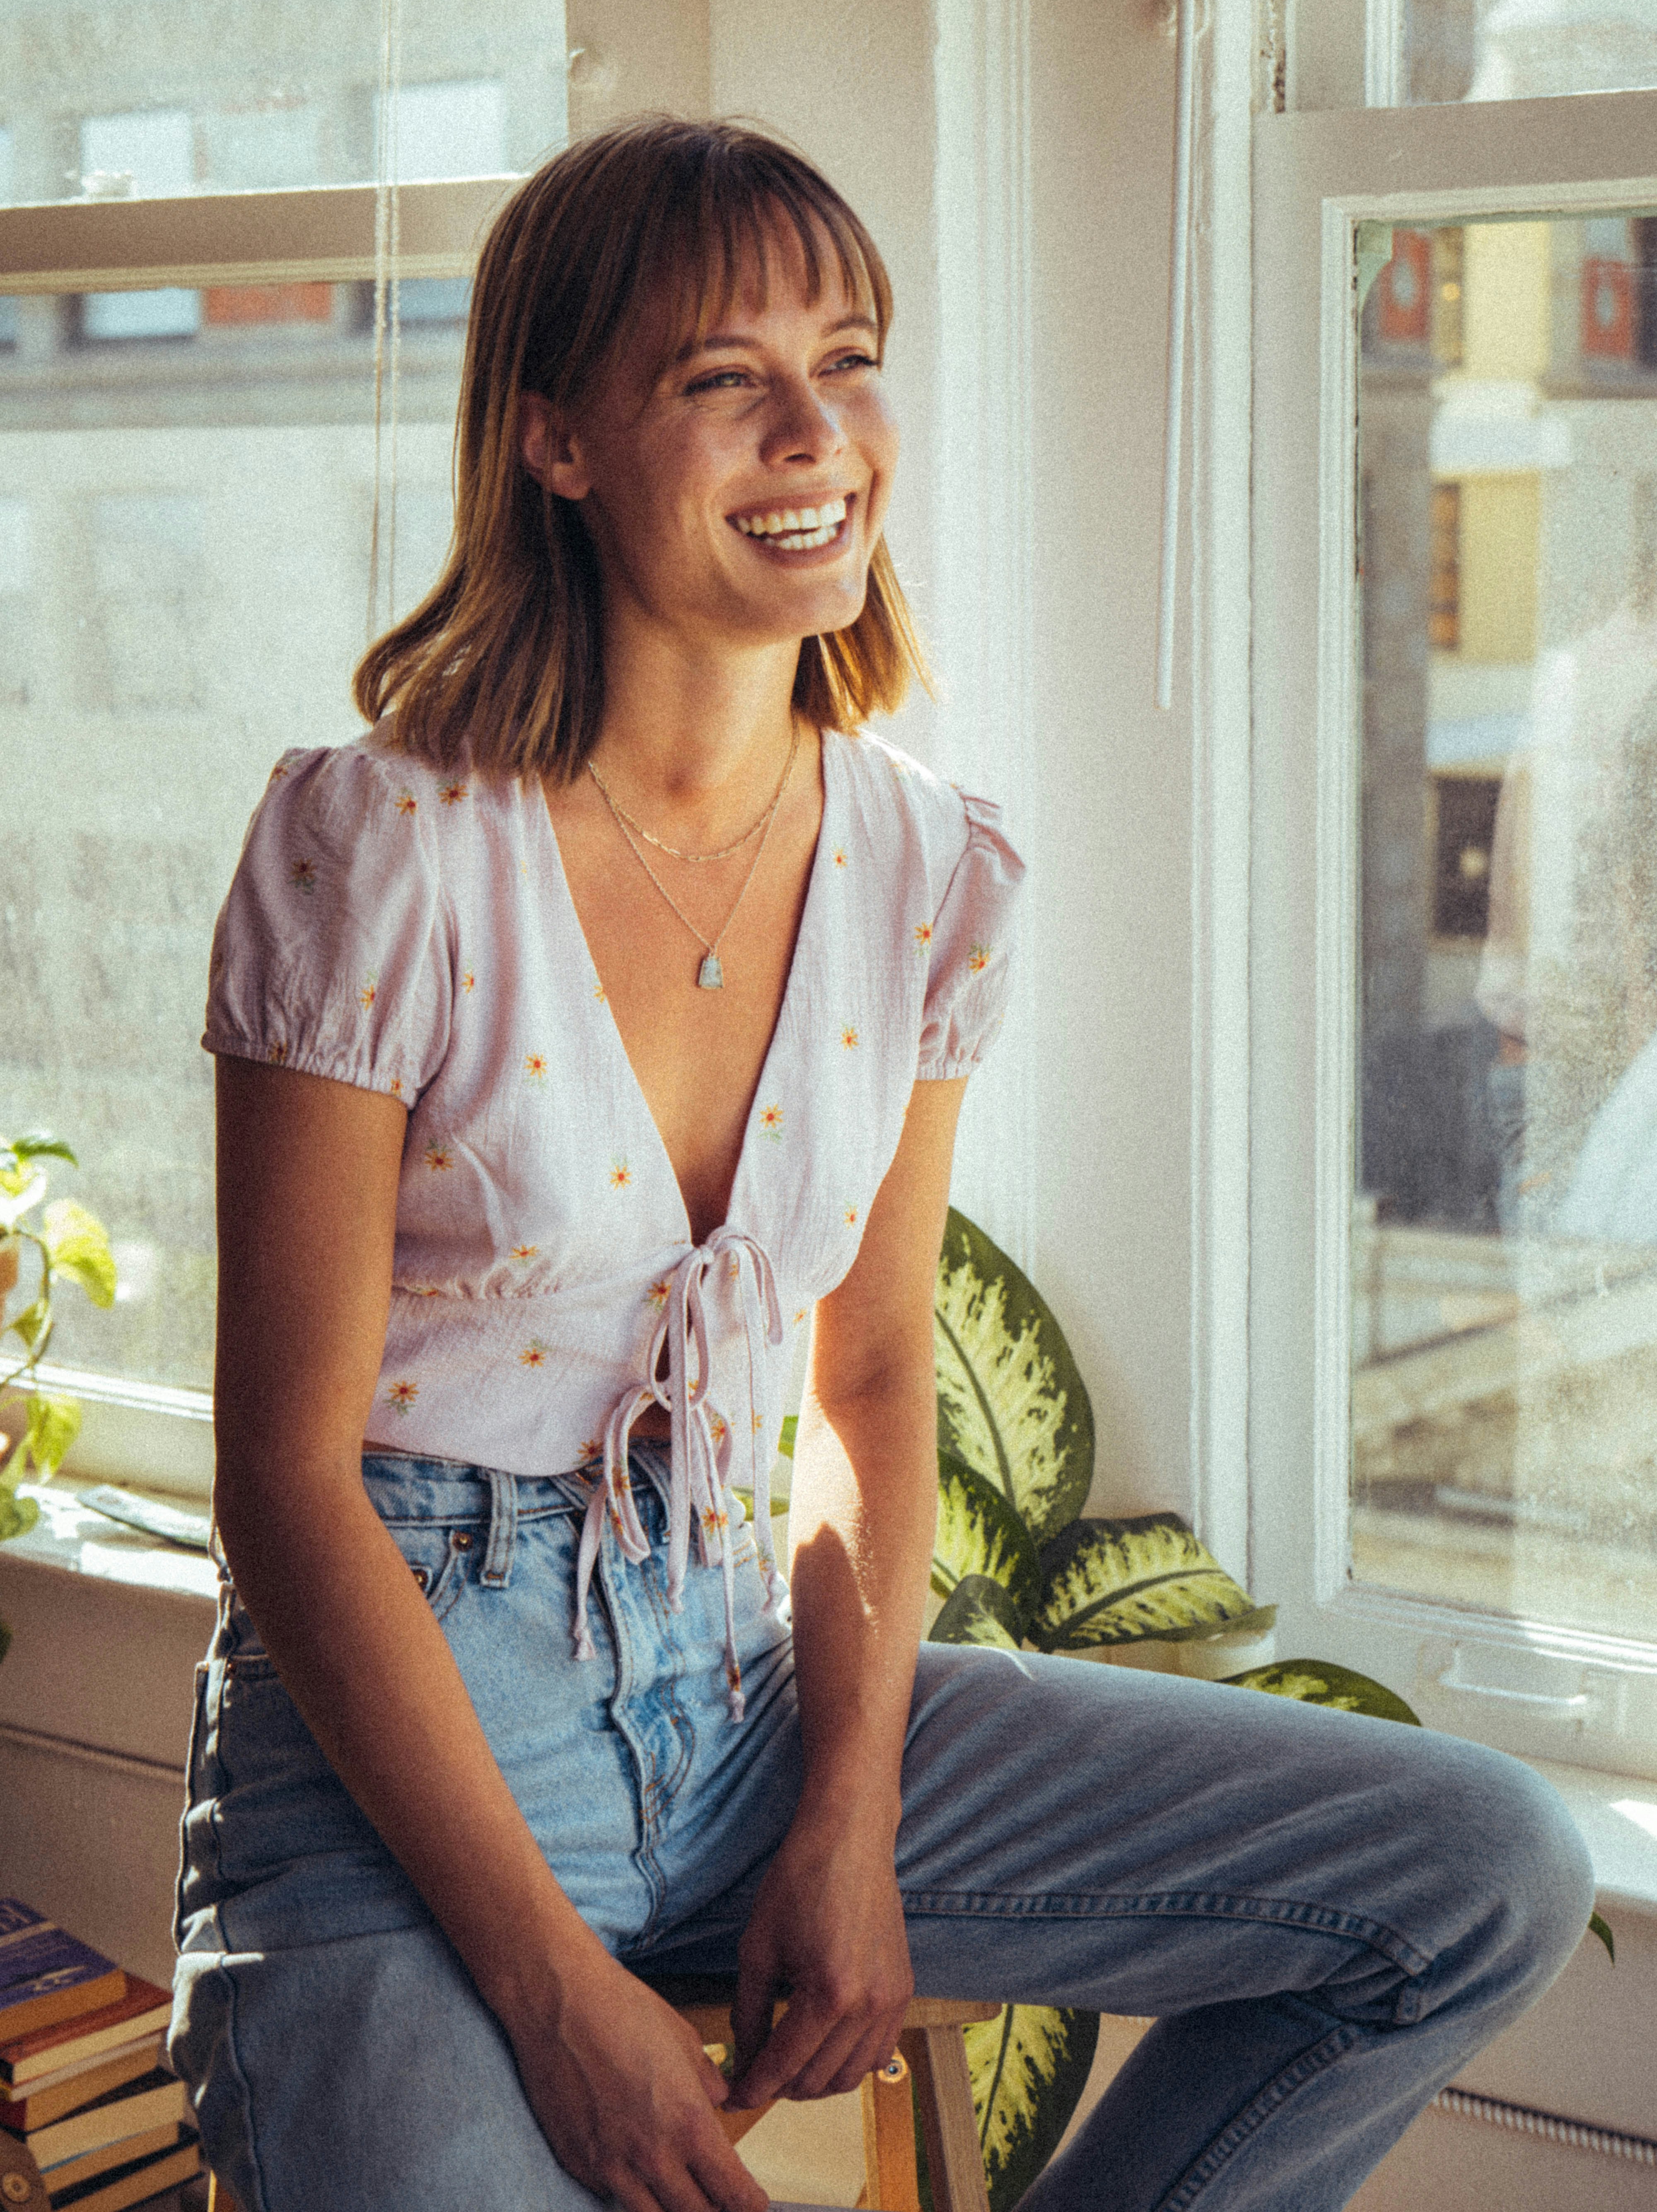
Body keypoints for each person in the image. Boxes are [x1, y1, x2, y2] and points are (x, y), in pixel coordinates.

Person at [171, 118, 1594, 2212]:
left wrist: (843, 1824)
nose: (816, 431)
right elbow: (282, 1480)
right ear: (556, 442)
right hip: (402, 1768)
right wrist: (562, 2002)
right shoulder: (379, 849)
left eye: (850, 360)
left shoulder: (931, 866)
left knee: (1478, 1870)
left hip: (745, 1700)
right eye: (721, 378)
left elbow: (866, 1382)